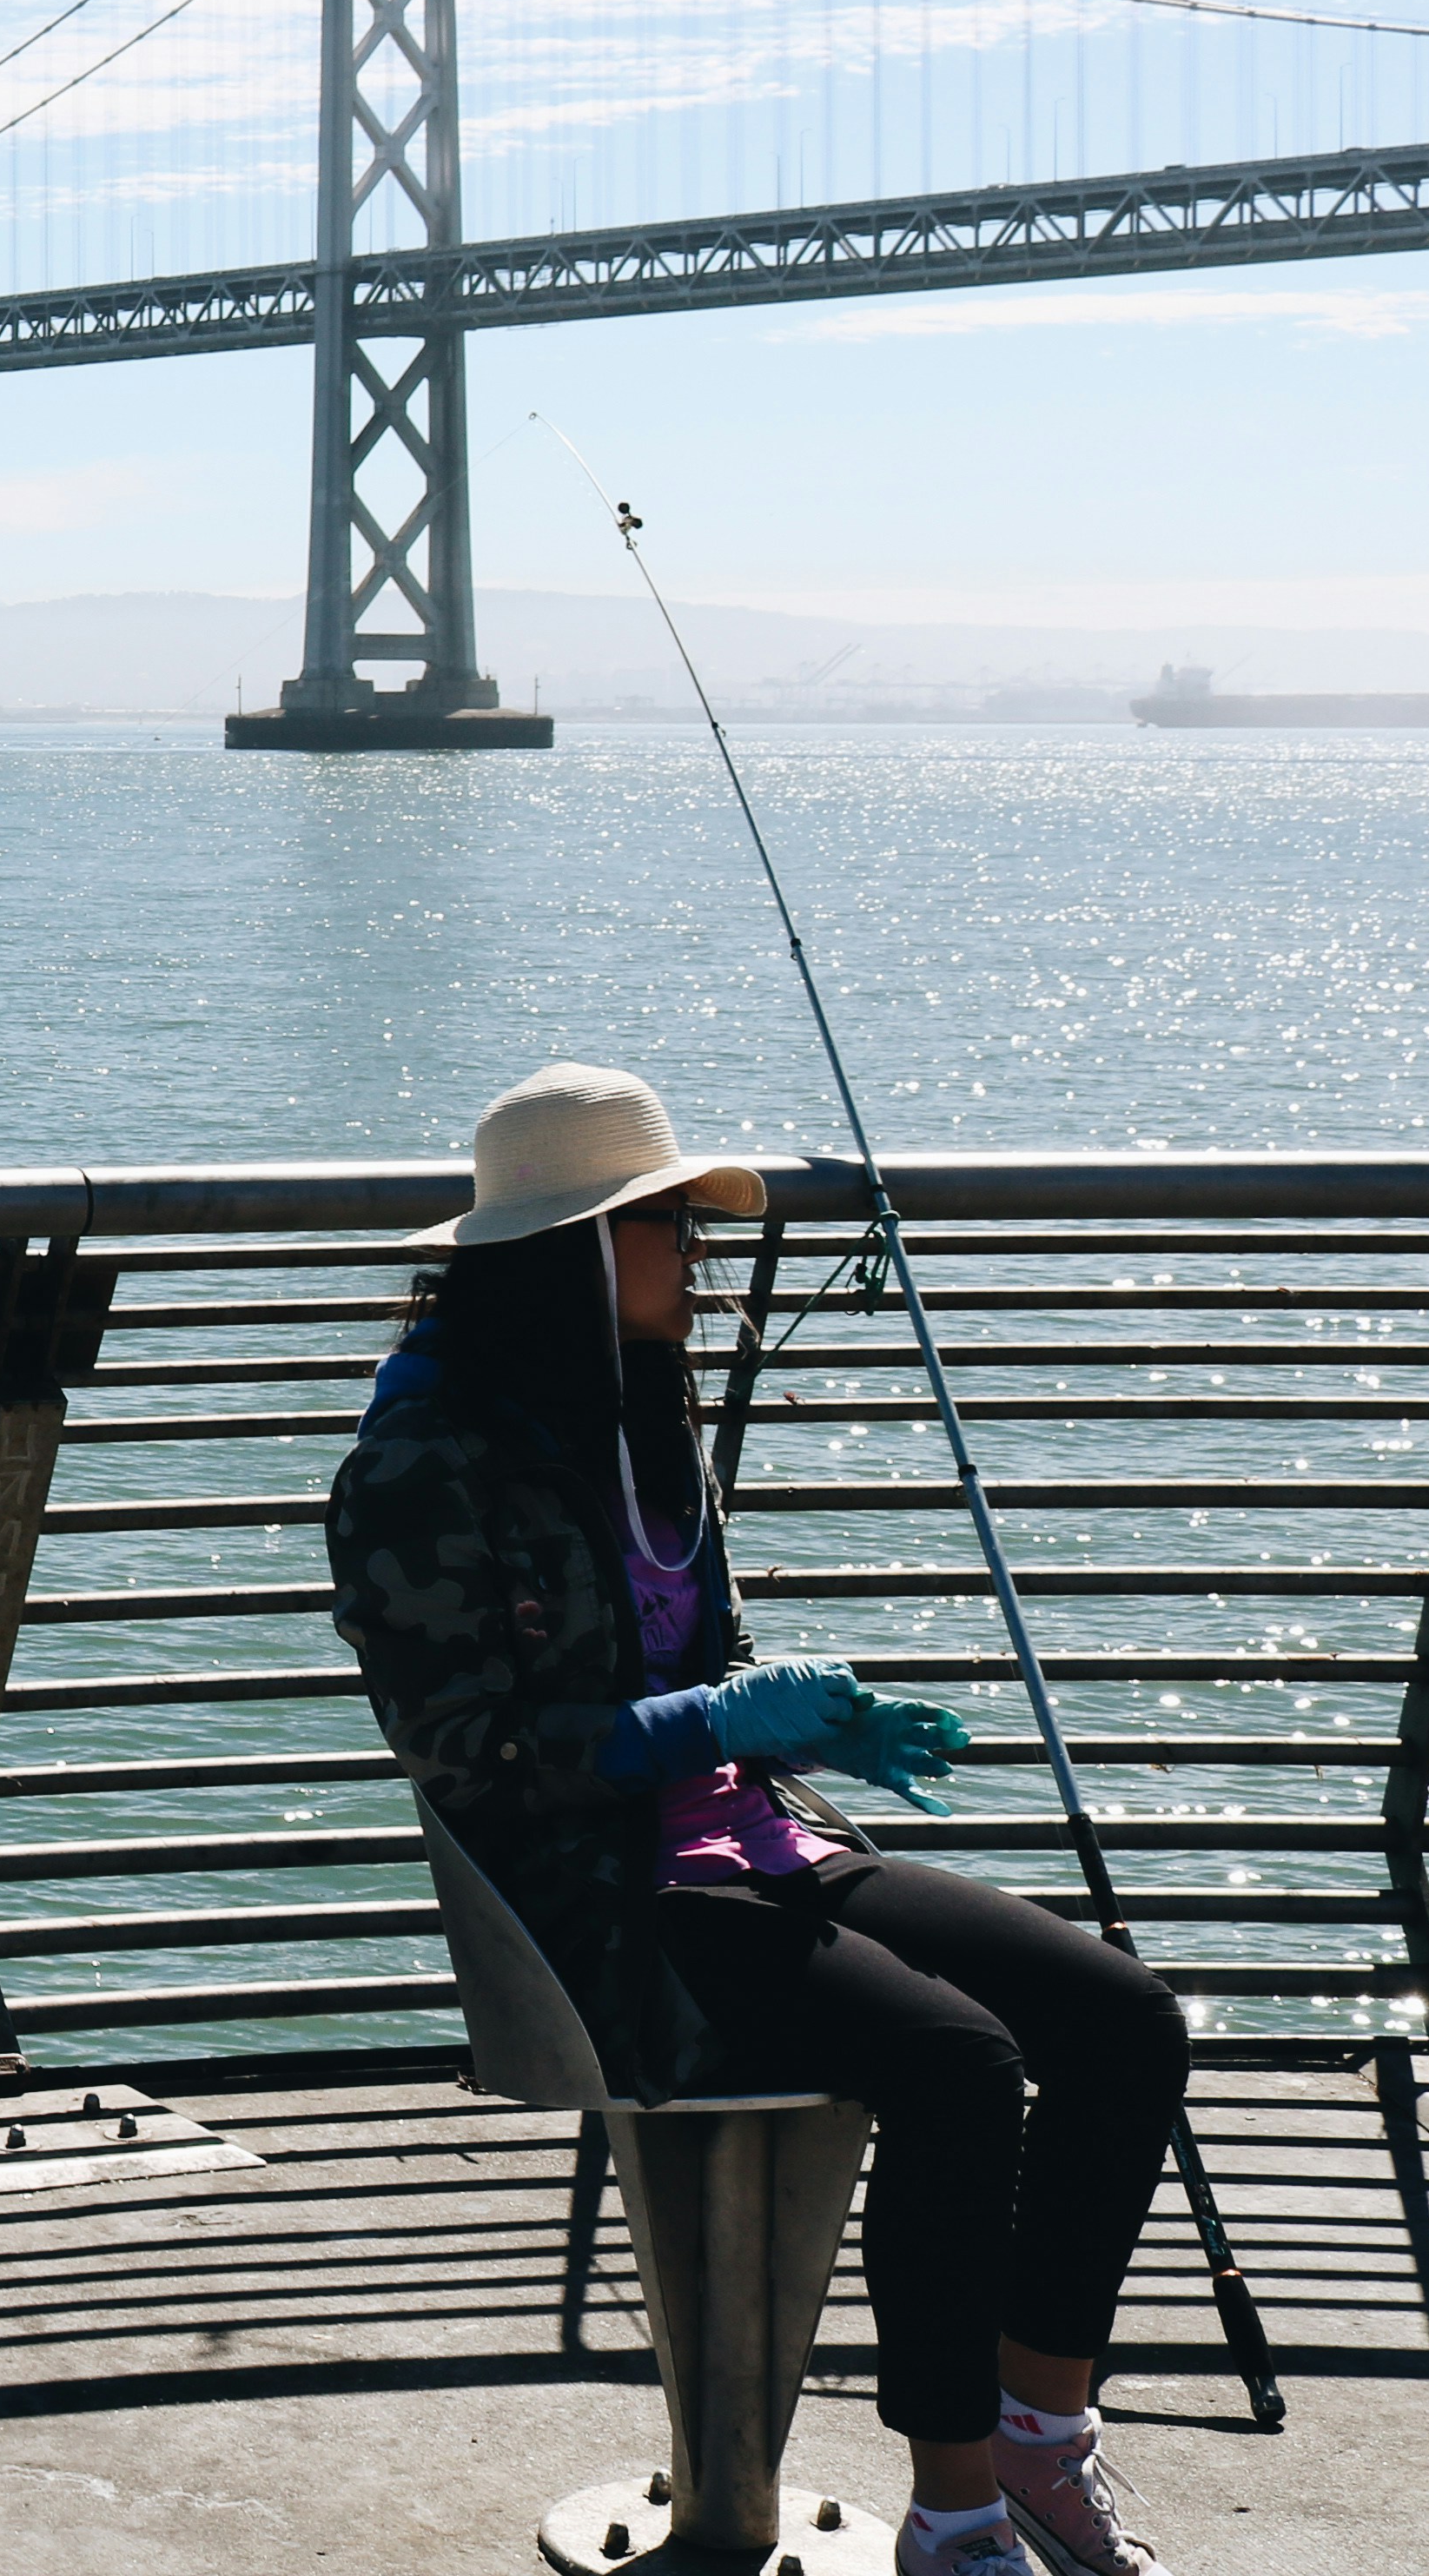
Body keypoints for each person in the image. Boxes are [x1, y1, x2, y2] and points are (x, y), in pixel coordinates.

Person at [326, 1063, 1193, 2576]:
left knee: (1123, 2018)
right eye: (665, 1228)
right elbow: (468, 1757)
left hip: (750, 1845)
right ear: (575, 1254)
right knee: (961, 2070)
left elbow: (698, 1658)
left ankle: (1048, 2440)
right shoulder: (419, 1467)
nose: (696, 1260)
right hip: (596, 1901)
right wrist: (711, 1722)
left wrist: (816, 1718)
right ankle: (957, 2509)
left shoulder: (646, 1424)